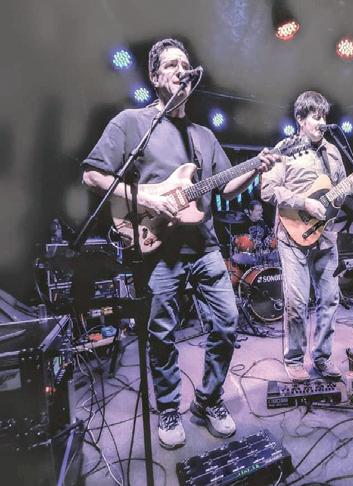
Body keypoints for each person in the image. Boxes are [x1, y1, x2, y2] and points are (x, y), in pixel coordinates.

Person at [81, 38, 278, 449]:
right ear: (155, 77)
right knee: (162, 334)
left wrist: (257, 168)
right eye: (171, 65)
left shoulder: (203, 136)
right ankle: (169, 408)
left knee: (227, 322)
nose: (180, 71)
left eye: (185, 64)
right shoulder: (132, 123)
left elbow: (224, 187)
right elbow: (93, 175)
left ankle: (208, 400)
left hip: (205, 246)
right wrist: (148, 198)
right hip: (157, 246)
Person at [261, 91, 347, 382]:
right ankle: (294, 358)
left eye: (324, 117)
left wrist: (343, 193)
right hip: (292, 234)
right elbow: (267, 190)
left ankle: (322, 357)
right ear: (300, 119)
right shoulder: (284, 149)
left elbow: (339, 191)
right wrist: (304, 203)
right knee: (297, 302)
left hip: (326, 235)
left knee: (330, 299)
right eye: (315, 117)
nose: (321, 122)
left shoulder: (334, 152)